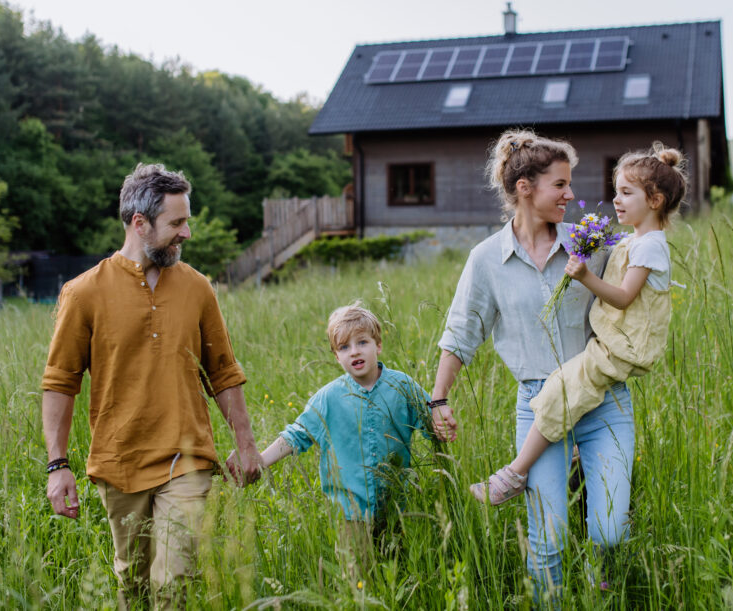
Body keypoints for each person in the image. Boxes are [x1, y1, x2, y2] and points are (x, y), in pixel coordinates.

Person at [41, 163, 263, 610]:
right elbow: (60, 382)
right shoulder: (83, 293)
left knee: (173, 582)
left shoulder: (198, 288)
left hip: (189, 458)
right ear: (139, 224)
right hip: (120, 461)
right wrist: (57, 464)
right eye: (176, 223)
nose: (186, 233)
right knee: (134, 583)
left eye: (186, 220)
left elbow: (222, 370)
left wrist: (246, 443)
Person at [430, 128, 613, 602]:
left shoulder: (588, 243)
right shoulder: (487, 259)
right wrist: (439, 399)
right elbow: (461, 332)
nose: (571, 195)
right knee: (548, 537)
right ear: (524, 188)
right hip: (537, 406)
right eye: (560, 184)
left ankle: (601, 596)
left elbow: (632, 286)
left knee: (608, 529)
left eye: (570, 184)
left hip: (598, 398)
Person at [471, 143, 687, 509]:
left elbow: (622, 297)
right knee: (567, 389)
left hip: (620, 347)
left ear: (655, 200)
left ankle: (514, 474)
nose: (615, 200)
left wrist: (584, 275)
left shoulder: (650, 247)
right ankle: (569, 453)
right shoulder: (636, 240)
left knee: (561, 390)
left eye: (626, 193)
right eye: (616, 191)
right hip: (611, 343)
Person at [236, 303, 429, 561]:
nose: (354, 352)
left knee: (399, 568)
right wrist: (259, 461)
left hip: (398, 507)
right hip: (350, 512)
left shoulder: (403, 386)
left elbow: (430, 418)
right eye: (344, 347)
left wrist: (441, 425)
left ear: (378, 345)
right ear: (336, 356)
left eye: (362, 342)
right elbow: (296, 435)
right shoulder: (328, 398)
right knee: (358, 577)